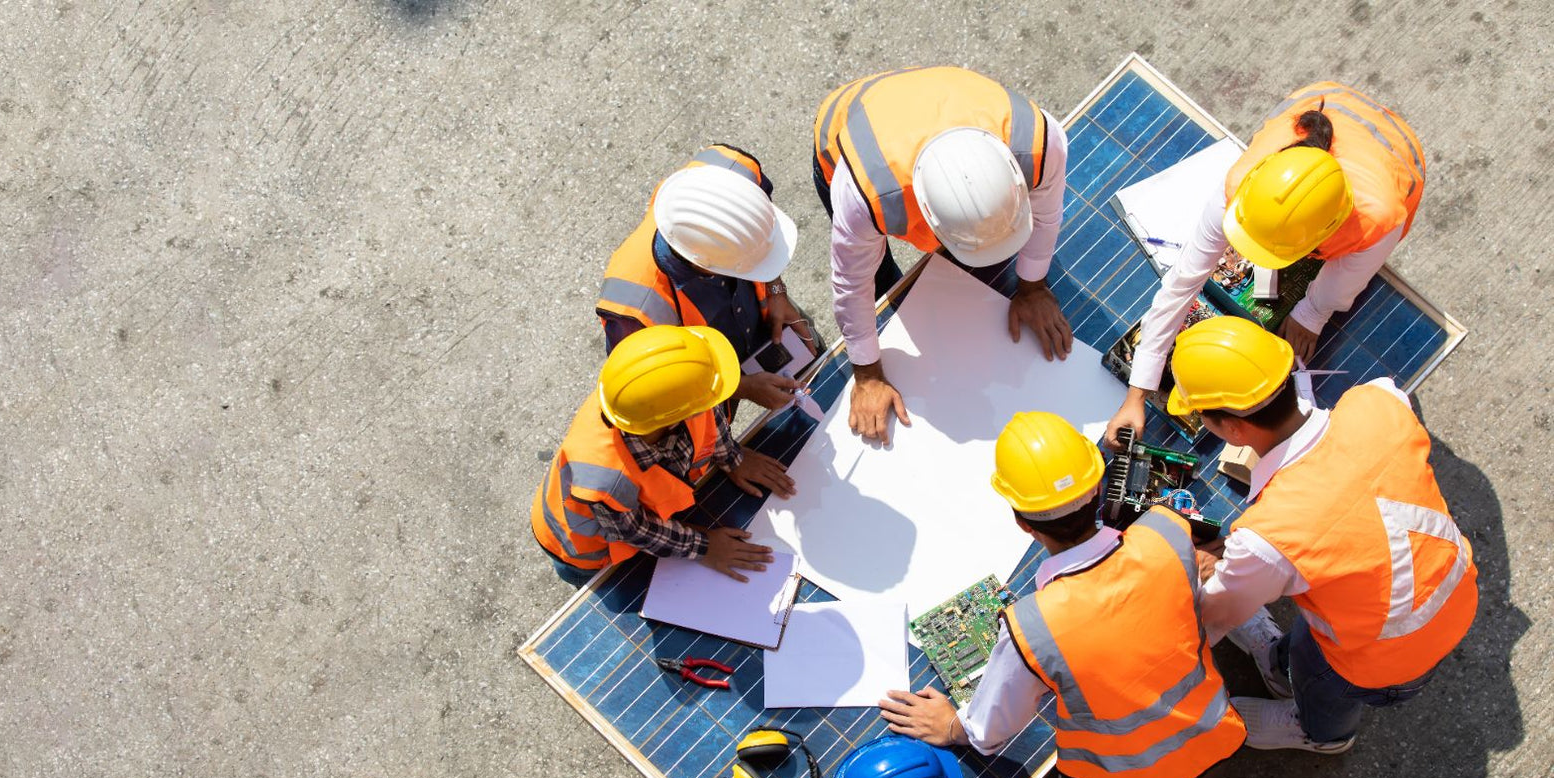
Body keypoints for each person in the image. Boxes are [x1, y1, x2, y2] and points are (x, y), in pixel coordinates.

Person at [878, 412, 1243, 778]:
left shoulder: (1032, 627)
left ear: (1022, 523)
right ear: (1098, 490)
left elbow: (988, 734)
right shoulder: (1168, 531)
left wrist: (952, 725)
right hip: (1219, 725)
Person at [1167, 316, 1476, 753]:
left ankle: (1322, 734)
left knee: (1323, 683)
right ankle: (1278, 664)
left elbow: (1215, 618)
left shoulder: (1270, 536)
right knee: (1309, 645)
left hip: (1385, 660)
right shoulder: (1379, 399)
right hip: (1453, 594)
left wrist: (1208, 574)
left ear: (1232, 428)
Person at [1106, 82, 1425, 450]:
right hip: (1327, 99)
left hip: (1398, 154)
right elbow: (1182, 283)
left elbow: (1345, 280)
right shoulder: (1241, 188)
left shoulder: (1376, 219)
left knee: (1346, 275)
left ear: (1322, 235)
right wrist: (1137, 393)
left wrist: (1313, 312)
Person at [812, 66, 1074, 446]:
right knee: (886, 285)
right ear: (929, 218)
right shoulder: (866, 193)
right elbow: (852, 283)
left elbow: (1047, 215)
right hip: (846, 127)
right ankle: (899, 295)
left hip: (940, 101)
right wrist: (867, 374)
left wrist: (1033, 288)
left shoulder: (1039, 143)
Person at [531, 325, 796, 588]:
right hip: (582, 548)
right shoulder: (605, 480)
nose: (707, 405)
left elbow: (706, 411)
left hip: (637, 521)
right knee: (610, 586)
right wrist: (704, 547)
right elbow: (636, 531)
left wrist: (733, 458)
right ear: (671, 421)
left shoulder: (652, 401)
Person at [595, 145, 819, 412]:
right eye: (750, 266)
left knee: (815, 370)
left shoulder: (735, 169)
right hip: (706, 372)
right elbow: (664, 388)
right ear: (705, 266)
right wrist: (741, 387)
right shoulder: (634, 313)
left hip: (766, 316)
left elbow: (761, 235)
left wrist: (776, 289)